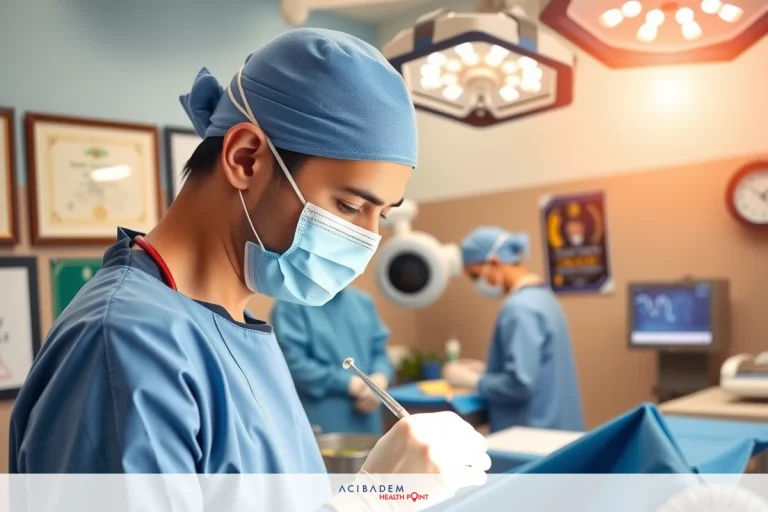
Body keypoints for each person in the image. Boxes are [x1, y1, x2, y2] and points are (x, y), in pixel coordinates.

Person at [10, 28, 490, 502]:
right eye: (348, 207)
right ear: (245, 158)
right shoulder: (123, 346)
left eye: (380, 215)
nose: (366, 241)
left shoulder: (237, 329)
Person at [443, 226, 584, 433]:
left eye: (475, 276)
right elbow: (540, 368)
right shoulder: (544, 298)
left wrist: (476, 381)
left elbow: (520, 384)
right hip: (558, 428)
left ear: (493, 262)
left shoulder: (519, 308)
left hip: (530, 435)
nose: (477, 284)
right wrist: (489, 370)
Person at [271, 287, 393, 435]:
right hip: (324, 422)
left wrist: (379, 379)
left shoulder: (363, 302)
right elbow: (293, 364)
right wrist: (347, 383)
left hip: (368, 420)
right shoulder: (291, 305)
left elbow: (379, 352)